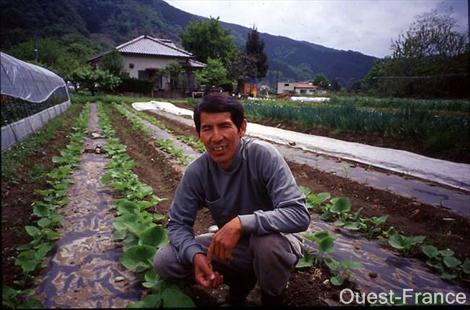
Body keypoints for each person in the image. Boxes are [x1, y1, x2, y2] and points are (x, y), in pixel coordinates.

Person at [154, 92, 310, 306]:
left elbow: (299, 215)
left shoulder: (263, 156)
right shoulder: (198, 171)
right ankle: (238, 281)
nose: (216, 137)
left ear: (242, 128)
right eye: (207, 128)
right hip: (234, 249)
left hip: (275, 243)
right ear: (198, 134)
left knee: (266, 244)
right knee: (165, 261)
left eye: (224, 126)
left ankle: (271, 296)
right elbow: (178, 224)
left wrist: (242, 223)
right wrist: (196, 255)